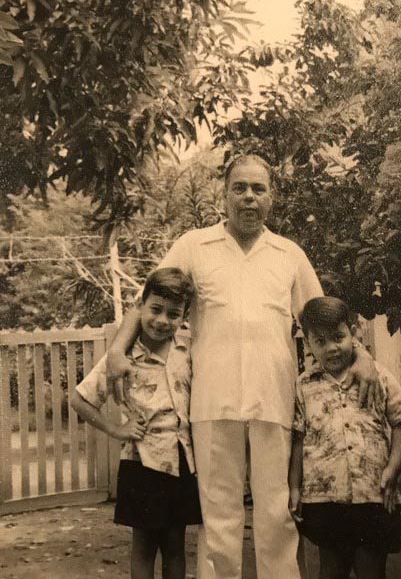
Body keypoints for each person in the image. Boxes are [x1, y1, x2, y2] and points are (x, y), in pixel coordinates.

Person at [106, 154, 380, 579]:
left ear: (272, 197)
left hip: (274, 398)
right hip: (211, 401)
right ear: (225, 194)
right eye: (240, 188)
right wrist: (117, 352)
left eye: (258, 189)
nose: (249, 197)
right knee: (219, 518)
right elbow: (148, 301)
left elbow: (324, 320)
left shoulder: (288, 254)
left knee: (277, 514)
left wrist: (362, 356)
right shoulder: (194, 246)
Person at [71, 267, 202, 579]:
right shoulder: (121, 358)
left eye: (173, 314)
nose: (162, 320)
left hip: (181, 461)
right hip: (141, 463)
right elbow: (79, 400)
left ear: (184, 316)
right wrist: (117, 430)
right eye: (155, 309)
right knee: (144, 547)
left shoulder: (187, 351)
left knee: (175, 544)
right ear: (141, 306)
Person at [289, 296, 401, 579]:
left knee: (371, 570)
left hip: (372, 492)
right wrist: (295, 488)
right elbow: (298, 439)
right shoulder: (304, 385)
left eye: (338, 337)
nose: (331, 348)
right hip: (324, 497)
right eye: (320, 341)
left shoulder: (377, 376)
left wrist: (393, 469)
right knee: (331, 571)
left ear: (354, 333)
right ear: (308, 344)